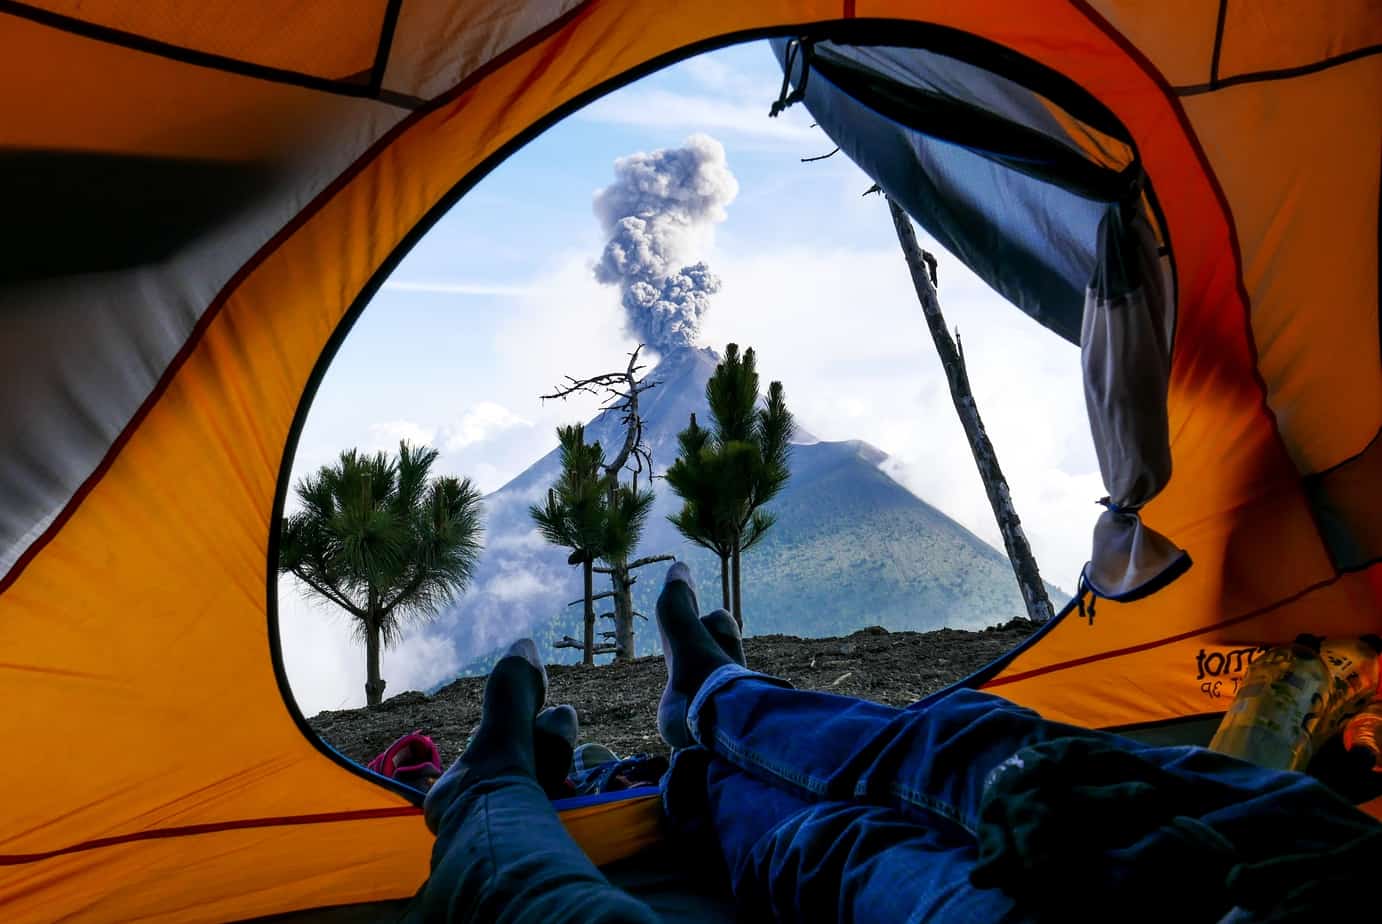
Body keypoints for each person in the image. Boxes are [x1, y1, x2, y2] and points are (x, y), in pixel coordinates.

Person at [409, 563, 1382, 923]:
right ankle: (712, 705)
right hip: (1319, 862)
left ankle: (495, 794)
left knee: (847, 853)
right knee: (978, 749)